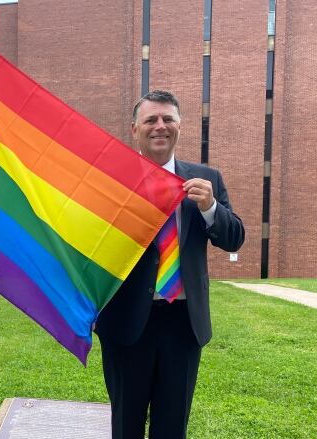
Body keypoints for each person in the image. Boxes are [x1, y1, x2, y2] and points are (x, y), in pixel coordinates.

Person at [94, 90, 245, 439]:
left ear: (179, 126)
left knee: (172, 427)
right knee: (126, 426)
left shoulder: (207, 179)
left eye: (168, 119)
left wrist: (210, 208)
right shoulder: (110, 179)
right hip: (127, 321)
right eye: (151, 120)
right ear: (135, 129)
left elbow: (234, 238)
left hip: (183, 323)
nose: (159, 127)